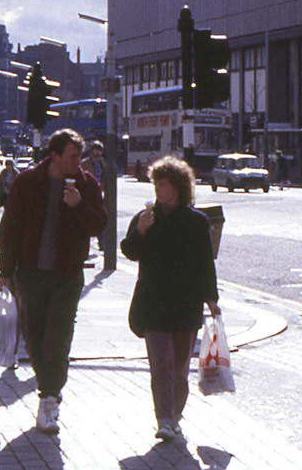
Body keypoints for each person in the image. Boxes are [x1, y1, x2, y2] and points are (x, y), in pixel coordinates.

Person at [0, 128, 107, 435]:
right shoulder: (28, 182)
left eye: (79, 156)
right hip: (30, 273)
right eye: (71, 156)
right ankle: (48, 388)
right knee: (34, 338)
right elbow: (10, 227)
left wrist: (79, 205)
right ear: (55, 155)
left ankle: (49, 398)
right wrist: (5, 270)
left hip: (67, 275)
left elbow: (99, 224)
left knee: (58, 339)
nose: (77, 162)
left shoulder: (86, 184)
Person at [121, 156, 220, 441]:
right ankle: (163, 419)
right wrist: (141, 231)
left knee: (179, 369)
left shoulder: (196, 221)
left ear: (177, 187)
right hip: (153, 301)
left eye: (163, 185)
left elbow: (205, 262)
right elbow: (130, 251)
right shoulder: (146, 218)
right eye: (156, 184)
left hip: (185, 304)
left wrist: (211, 298)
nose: (158, 190)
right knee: (161, 365)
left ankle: (175, 416)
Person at [80, 141, 108, 252]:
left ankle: (102, 243)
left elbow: (105, 177)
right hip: (87, 194)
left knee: (100, 217)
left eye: (99, 150)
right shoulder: (85, 163)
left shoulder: (102, 163)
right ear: (91, 151)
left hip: (99, 194)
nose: (98, 153)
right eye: (96, 150)